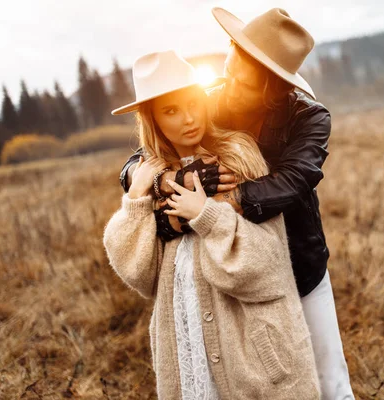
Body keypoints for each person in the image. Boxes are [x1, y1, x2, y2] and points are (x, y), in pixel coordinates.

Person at [120, 8, 355, 399]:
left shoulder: (309, 117)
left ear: (274, 86)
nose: (228, 85)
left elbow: (295, 180)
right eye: (230, 68)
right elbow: (141, 156)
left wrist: (222, 204)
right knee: (252, 373)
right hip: (233, 262)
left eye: (242, 82)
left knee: (328, 378)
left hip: (297, 255)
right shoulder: (210, 101)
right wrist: (165, 180)